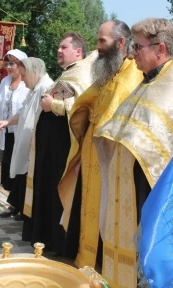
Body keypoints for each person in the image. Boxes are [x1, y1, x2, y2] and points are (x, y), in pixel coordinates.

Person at [93, 18, 173, 287]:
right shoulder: (148, 83)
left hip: (150, 191)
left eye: (138, 46)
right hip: (132, 189)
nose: (133, 53)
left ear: (160, 49)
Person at [58, 20, 143, 266]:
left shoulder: (131, 75)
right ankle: (87, 258)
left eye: (101, 41)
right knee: (89, 207)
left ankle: (101, 264)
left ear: (120, 43)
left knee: (106, 211)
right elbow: (88, 102)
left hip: (111, 159)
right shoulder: (110, 72)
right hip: (92, 152)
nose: (97, 47)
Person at [21, 32, 97, 256]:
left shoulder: (82, 73)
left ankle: (58, 242)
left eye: (64, 47)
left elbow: (80, 108)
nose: (59, 50)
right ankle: (48, 238)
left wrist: (52, 105)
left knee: (58, 191)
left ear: (78, 51)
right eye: (59, 47)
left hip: (64, 148)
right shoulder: (69, 73)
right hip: (53, 148)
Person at [0, 57, 54, 221]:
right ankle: (21, 209)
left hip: (35, 146)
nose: (24, 82)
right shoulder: (34, 88)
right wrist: (7, 122)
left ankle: (27, 215)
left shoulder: (46, 87)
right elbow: (22, 112)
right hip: (27, 143)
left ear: (33, 72)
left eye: (25, 76)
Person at [0, 49, 29, 216]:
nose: (8, 67)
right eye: (6, 63)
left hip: (21, 133)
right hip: (6, 132)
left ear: (21, 65)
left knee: (20, 169)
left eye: (12, 63)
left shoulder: (27, 84)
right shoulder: (5, 82)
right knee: (8, 169)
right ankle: (14, 204)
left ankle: (20, 207)